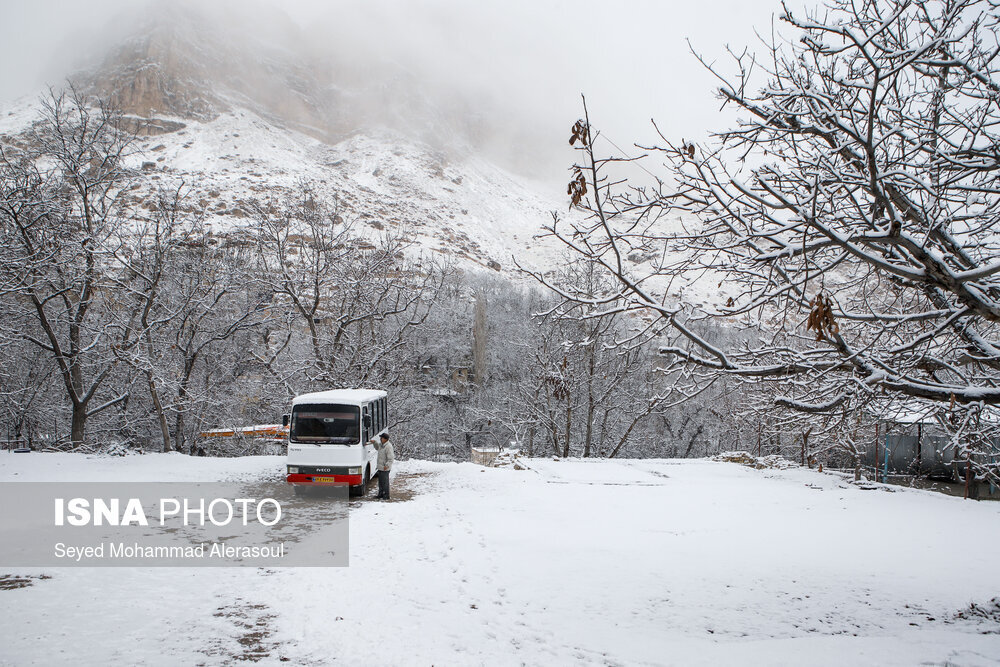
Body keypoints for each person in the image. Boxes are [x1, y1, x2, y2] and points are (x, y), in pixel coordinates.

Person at [369, 433, 394, 499]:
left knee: (385, 483)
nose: (380, 439)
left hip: (385, 468)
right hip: (380, 467)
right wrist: (374, 442)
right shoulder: (381, 445)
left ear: (385, 439)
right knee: (380, 482)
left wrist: (387, 465)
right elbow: (377, 447)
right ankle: (380, 494)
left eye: (382, 438)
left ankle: (386, 495)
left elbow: (391, 458)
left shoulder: (388, 447)